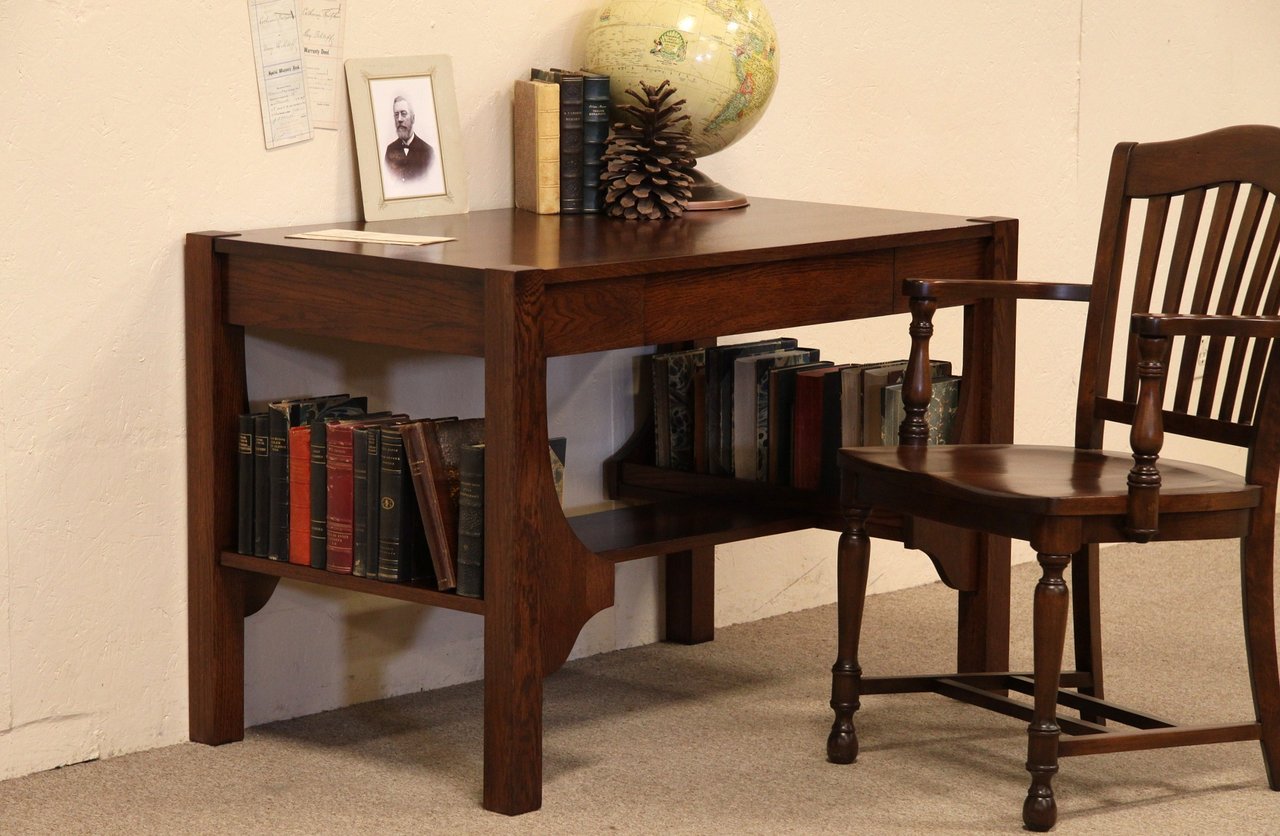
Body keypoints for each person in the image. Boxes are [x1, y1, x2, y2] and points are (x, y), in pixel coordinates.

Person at [383, 96, 434, 182]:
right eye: (396, 115)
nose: (399, 119)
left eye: (403, 113)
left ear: (413, 119)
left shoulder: (428, 152)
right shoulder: (390, 149)